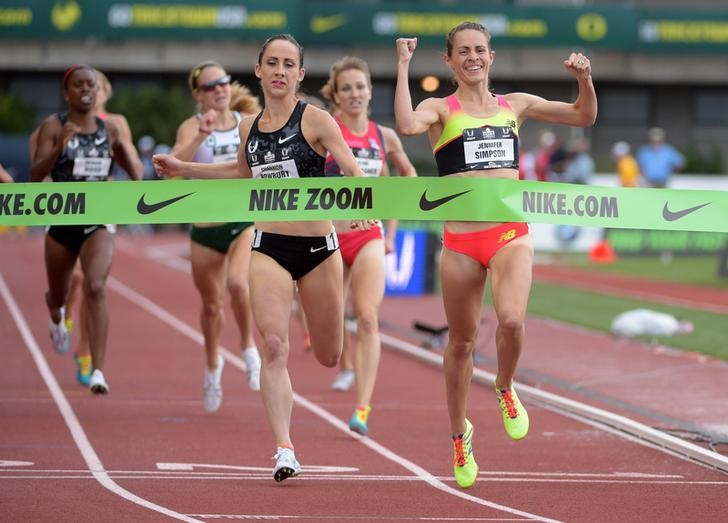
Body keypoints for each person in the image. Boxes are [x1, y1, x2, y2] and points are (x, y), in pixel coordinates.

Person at [153, 34, 371, 482]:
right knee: (274, 346)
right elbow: (239, 171)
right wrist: (183, 168)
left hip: (317, 249)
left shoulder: (317, 120)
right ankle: (284, 449)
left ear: (300, 74)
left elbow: (353, 172)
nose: (279, 70)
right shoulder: (247, 126)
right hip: (268, 243)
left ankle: (324, 337)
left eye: (288, 64)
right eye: (271, 62)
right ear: (258, 71)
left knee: (330, 355)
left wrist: (360, 212)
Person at [395, 22, 597, 489]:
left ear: (491, 57)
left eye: (480, 50)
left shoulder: (516, 106)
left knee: (510, 320)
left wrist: (584, 80)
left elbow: (583, 117)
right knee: (461, 344)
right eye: (462, 51)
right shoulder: (438, 109)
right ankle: (459, 433)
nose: (472, 57)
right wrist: (403, 64)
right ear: (449, 61)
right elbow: (406, 125)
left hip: (509, 233)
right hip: (462, 242)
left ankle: (505, 386)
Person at [29, 64, 142, 393]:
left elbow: (135, 175)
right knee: (58, 295)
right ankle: (56, 317)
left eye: (91, 85)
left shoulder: (109, 129)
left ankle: (97, 371)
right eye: (78, 85)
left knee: (95, 286)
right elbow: (35, 176)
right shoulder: (54, 125)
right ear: (67, 93)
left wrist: (122, 149)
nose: (86, 90)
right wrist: (57, 149)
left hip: (98, 221)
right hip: (63, 223)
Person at [320, 55, 417, 434]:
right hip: (328, 235)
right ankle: (341, 365)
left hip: (368, 235)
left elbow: (406, 177)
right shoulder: (324, 130)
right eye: (347, 88)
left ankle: (362, 408)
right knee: (330, 320)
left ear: (370, 91)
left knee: (368, 317)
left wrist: (391, 232)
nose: (355, 93)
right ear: (337, 95)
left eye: (360, 86)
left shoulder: (384, 136)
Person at [170, 61, 262, 413]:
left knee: (239, 284)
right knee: (211, 306)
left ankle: (247, 347)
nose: (221, 89)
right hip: (205, 230)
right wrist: (201, 136)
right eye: (211, 86)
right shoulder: (191, 126)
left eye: (224, 82)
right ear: (198, 94)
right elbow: (171, 169)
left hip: (243, 221)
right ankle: (213, 367)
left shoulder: (246, 123)